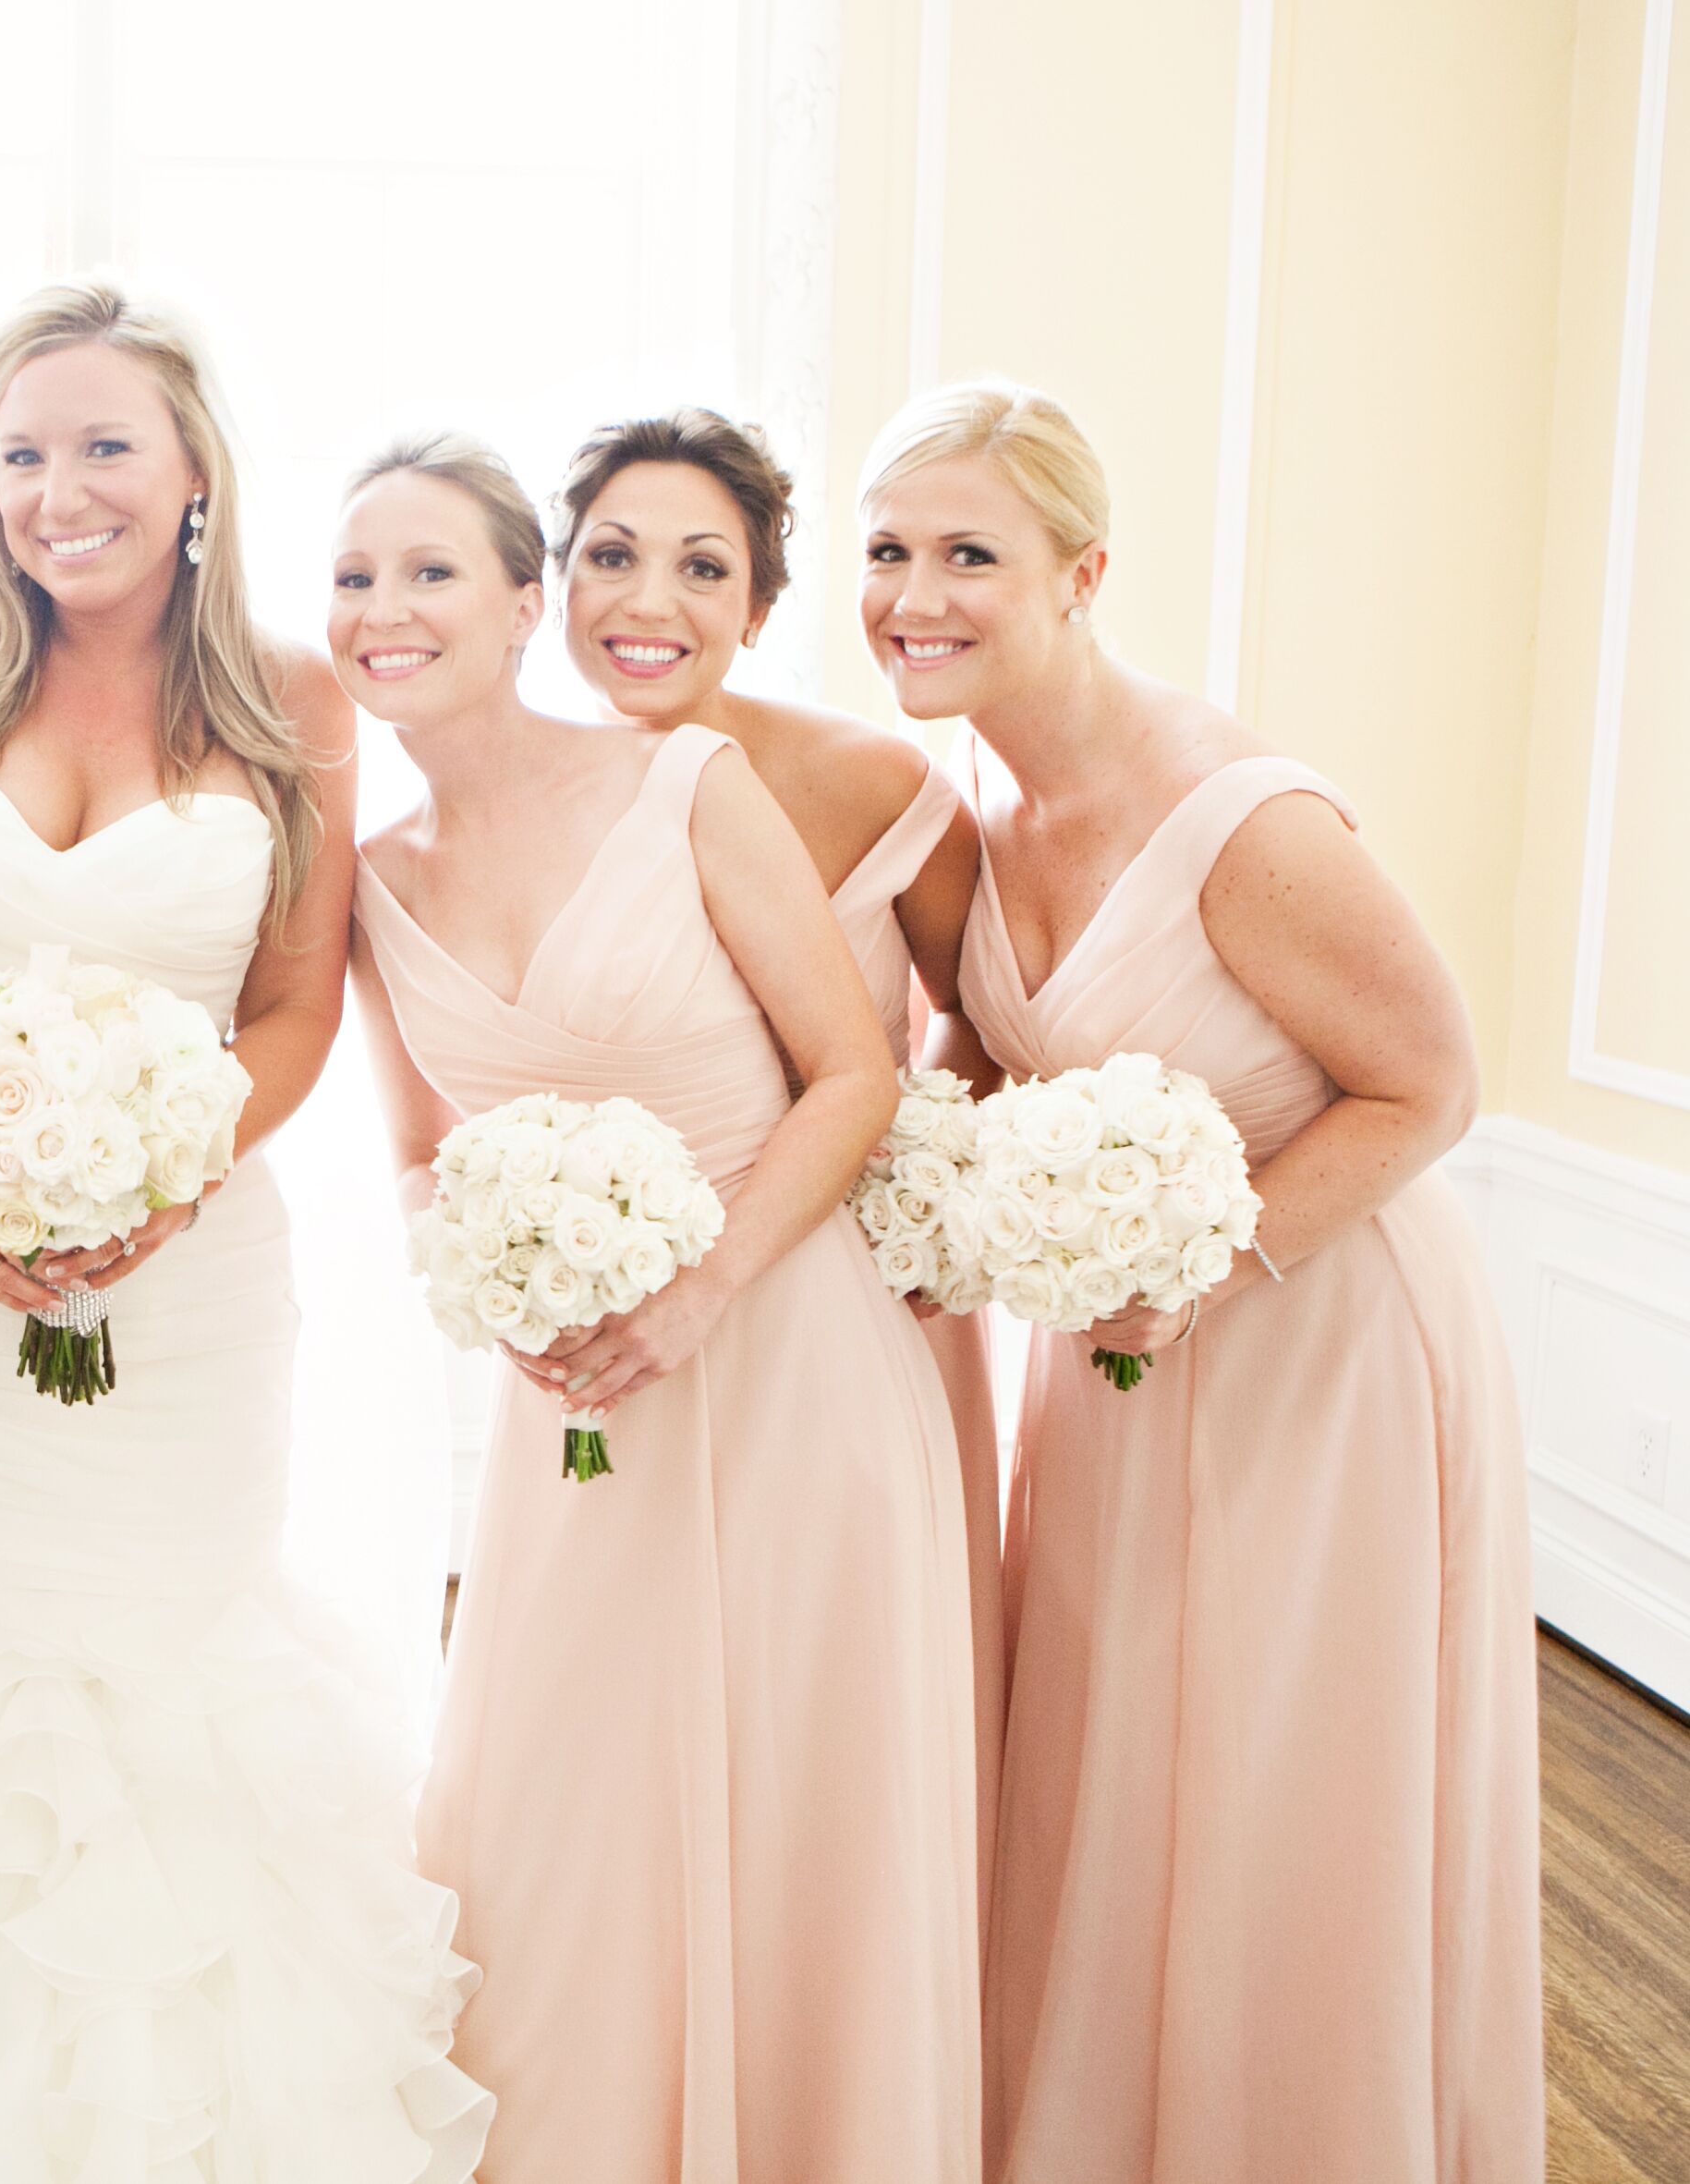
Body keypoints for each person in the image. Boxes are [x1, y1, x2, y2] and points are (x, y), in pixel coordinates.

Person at [0, 282, 489, 2178]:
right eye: (23, 453)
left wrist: (165, 1175)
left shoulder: (293, 696)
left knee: (163, 1682)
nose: (60, 490)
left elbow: (292, 1002)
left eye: (103, 445)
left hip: (184, 1274)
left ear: (195, 466)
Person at [864, 379, 1541, 2183]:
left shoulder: (1230, 813)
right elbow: (999, 1072)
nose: (908, 592)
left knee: (1271, 1770)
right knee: (1113, 1745)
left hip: (1311, 1330)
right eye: (884, 550)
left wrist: (1208, 1265)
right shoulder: (985, 819)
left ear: (1079, 572)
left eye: (964, 554)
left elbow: (1429, 1083)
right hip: (1115, 1349)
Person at [339, 432, 980, 2180]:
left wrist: (696, 1291)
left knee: (797, 1801)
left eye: (429, 575)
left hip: (784, 1354)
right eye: (351, 580)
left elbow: (854, 1073)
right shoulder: (367, 876)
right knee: (565, 1801)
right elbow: (416, 1147)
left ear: (516, 603)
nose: (385, 611)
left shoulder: (687, 790)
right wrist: (495, 1291)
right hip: (575, 1404)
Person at [553, 409, 1006, 1913]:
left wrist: (910, 1203)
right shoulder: (519, 799)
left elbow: (983, 1027)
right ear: (553, 582)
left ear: (755, 609)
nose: (647, 601)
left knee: (821, 1717)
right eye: (609, 555)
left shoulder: (878, 786)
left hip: (830, 1314)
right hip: (619, 1320)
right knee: (620, 1725)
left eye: (701, 566)